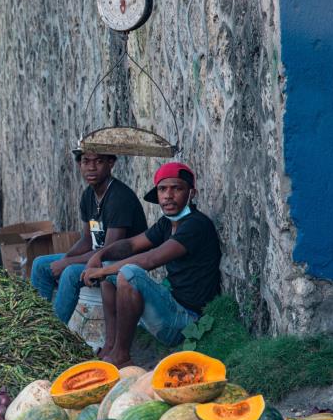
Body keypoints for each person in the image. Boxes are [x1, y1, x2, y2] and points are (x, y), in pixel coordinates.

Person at [82, 162, 222, 366]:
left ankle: (121, 356)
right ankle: (110, 346)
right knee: (113, 266)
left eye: (177, 188)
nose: (168, 195)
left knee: (128, 273)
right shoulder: (167, 223)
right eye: (162, 189)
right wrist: (100, 255)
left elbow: (150, 259)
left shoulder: (196, 225)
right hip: (170, 307)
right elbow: (131, 244)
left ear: (191, 193)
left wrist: (102, 270)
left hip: (187, 321)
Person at [30, 148, 147, 324]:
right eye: (86, 161)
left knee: (70, 273)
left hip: (120, 264)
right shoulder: (88, 195)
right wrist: (67, 258)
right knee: (40, 264)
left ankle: (52, 333)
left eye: (98, 161)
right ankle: (36, 324)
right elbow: (87, 238)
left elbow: (108, 251)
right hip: (95, 256)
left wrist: (67, 263)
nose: (91, 168)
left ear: (111, 163)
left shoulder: (119, 197)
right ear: (79, 165)